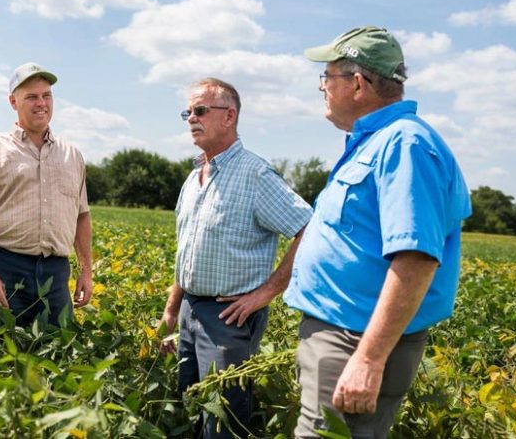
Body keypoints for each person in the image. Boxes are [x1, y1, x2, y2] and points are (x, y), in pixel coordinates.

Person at [283, 26, 471, 438]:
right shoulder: (377, 141)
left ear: (357, 83)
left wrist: (368, 359)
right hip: (343, 336)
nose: (322, 89)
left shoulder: (405, 145)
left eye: (327, 78)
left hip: (355, 341)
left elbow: (416, 259)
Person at [160, 78, 313, 438]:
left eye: (200, 111)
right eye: (188, 112)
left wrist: (265, 293)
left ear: (229, 116)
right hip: (189, 310)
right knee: (192, 410)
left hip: (228, 318)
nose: (191, 119)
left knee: (223, 423)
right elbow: (189, 250)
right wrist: (171, 309)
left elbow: (310, 229)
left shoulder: (254, 174)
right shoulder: (194, 176)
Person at [0, 62, 92, 327]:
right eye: (31, 97)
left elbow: (81, 216)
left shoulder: (72, 155)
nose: (41, 103)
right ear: (13, 102)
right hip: (7, 268)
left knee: (57, 355)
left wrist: (86, 271)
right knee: (4, 353)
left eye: (46, 96)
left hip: (56, 273)